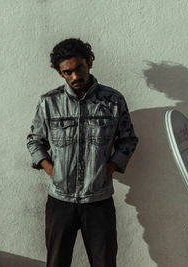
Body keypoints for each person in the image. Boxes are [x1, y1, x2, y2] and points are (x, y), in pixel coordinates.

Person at [26, 38, 138, 267]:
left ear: (90, 62)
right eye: (68, 72)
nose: (75, 77)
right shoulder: (49, 102)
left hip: (98, 200)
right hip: (60, 201)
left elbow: (128, 140)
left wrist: (107, 170)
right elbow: (35, 142)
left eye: (79, 68)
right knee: (57, 263)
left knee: (104, 262)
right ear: (60, 73)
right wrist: (52, 170)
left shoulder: (113, 101)